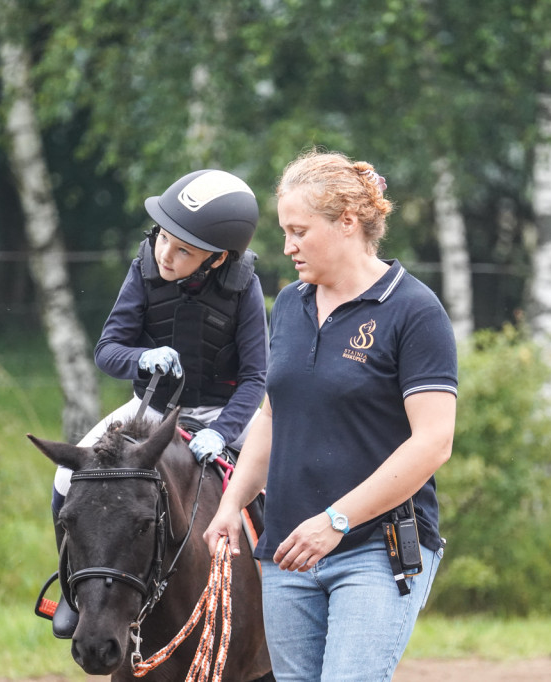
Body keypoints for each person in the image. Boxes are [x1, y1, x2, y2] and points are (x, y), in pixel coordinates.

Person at [202, 150, 458, 681]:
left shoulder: (413, 310)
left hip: (375, 549)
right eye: (284, 231)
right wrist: (231, 504)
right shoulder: (291, 304)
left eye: (299, 231)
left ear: (347, 223)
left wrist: (336, 521)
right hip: (287, 552)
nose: (287, 246)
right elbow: (273, 415)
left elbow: (433, 443)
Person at [49, 169, 269, 637]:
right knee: (66, 474)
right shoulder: (144, 267)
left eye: (183, 249)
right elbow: (108, 350)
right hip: (149, 409)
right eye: (164, 238)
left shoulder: (244, 285)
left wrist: (223, 431)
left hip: (225, 412)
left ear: (218, 258)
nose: (166, 253)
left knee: (283, 478)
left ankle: (284, 593)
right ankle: (72, 592)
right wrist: (141, 358)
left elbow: (255, 378)